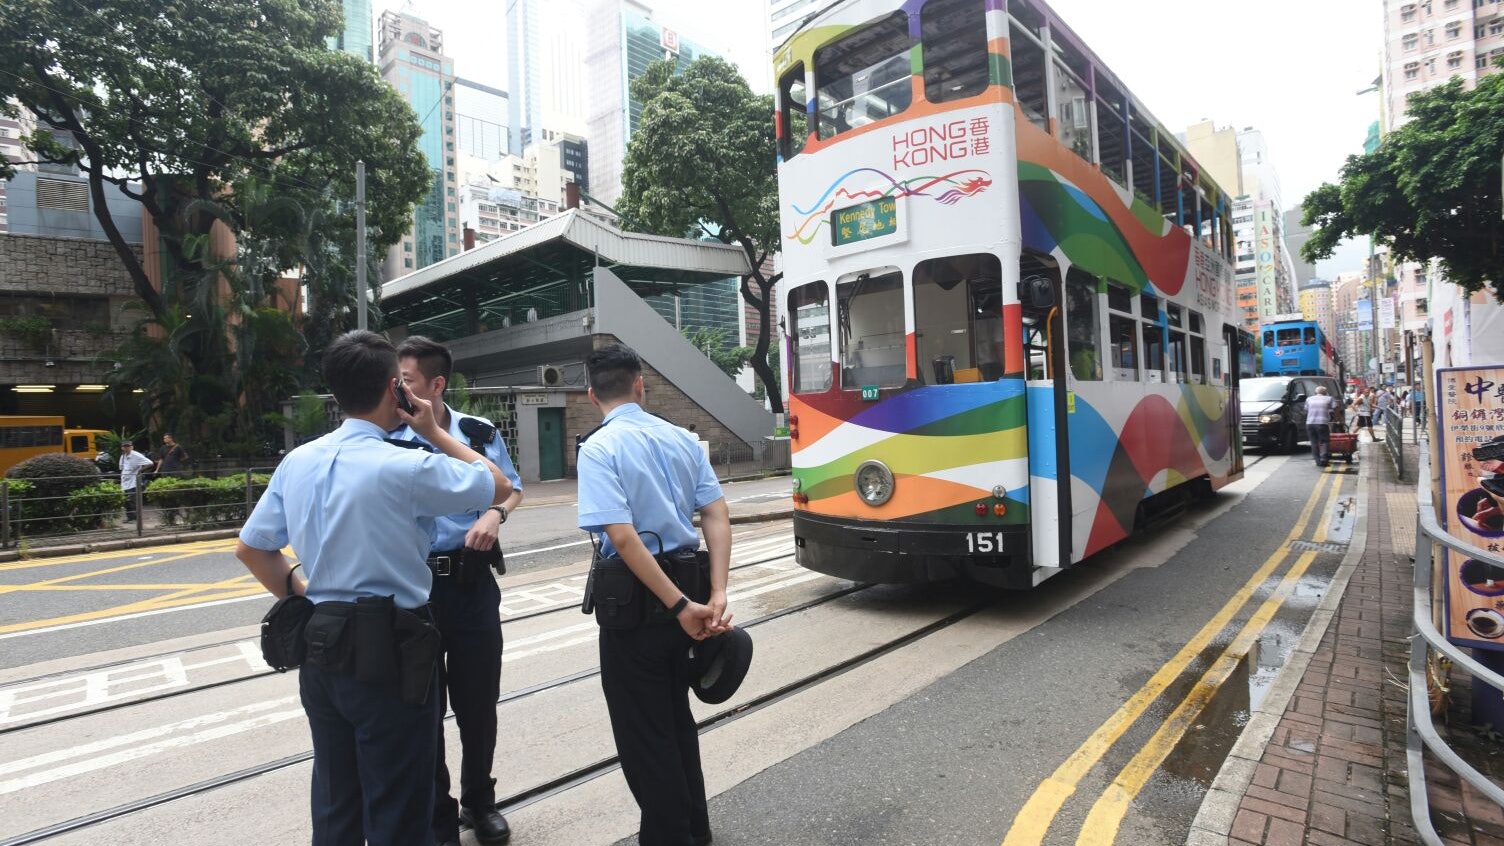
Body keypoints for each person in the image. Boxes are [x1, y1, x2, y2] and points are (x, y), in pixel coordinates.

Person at [235, 330, 511, 846]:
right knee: (399, 811)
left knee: (337, 805)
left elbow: (252, 549)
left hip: (321, 644)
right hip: (393, 649)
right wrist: (433, 429)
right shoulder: (407, 464)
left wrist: (304, 589)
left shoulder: (298, 461)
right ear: (395, 389)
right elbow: (495, 484)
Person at [576, 344, 733, 846]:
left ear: (591, 394)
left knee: (644, 734)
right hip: (687, 585)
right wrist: (715, 593)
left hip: (639, 605)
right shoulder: (683, 439)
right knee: (675, 718)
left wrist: (680, 607)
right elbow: (716, 513)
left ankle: (669, 837)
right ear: (640, 384)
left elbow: (621, 538)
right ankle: (695, 830)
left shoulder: (598, 449)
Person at [390, 336, 523, 846]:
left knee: (477, 702)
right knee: (422, 706)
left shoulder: (478, 432)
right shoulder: (389, 438)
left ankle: (480, 802)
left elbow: (511, 486)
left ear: (436, 385)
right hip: (415, 589)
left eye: (407, 379)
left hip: (471, 583)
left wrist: (495, 513)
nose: (398, 388)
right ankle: (438, 812)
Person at [117, 440, 155, 523]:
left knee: (132, 500)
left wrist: (140, 470)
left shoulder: (136, 455)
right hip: (125, 481)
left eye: (128, 446)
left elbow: (150, 463)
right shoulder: (123, 456)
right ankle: (129, 517)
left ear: (132, 447)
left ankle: (135, 518)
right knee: (126, 500)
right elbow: (121, 468)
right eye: (125, 446)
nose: (126, 448)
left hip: (133, 481)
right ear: (122, 448)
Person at [1305, 385, 1336, 467]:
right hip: (1322, 423)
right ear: (1325, 392)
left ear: (1315, 392)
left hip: (1310, 423)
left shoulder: (1309, 399)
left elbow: (1306, 409)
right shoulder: (1329, 398)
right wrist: (1339, 419)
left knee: (1313, 442)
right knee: (1324, 441)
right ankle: (1324, 459)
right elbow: (1336, 409)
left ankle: (1318, 461)